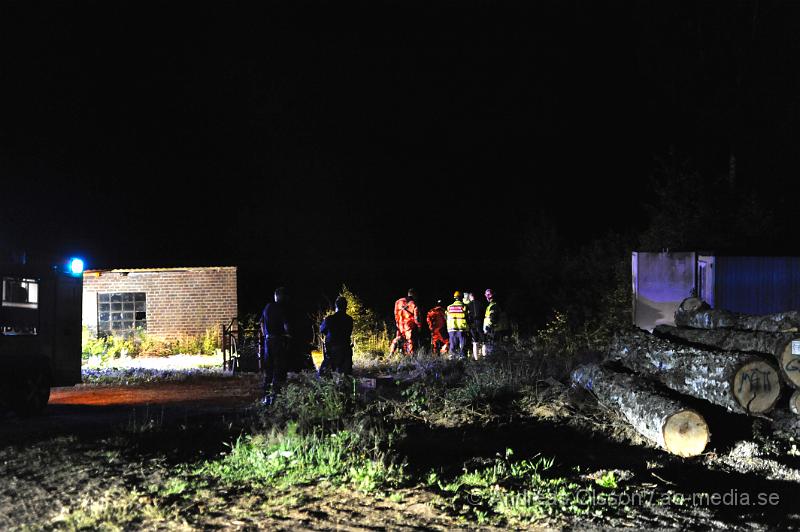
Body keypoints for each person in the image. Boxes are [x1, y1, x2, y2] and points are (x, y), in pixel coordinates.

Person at [260, 286, 292, 404]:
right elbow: (286, 325)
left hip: (268, 342)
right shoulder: (282, 308)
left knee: (269, 369)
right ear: (281, 296)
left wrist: (265, 336)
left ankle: (266, 397)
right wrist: (288, 335)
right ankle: (276, 396)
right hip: (278, 341)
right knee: (279, 368)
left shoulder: (267, 307)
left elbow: (262, 322)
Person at [319, 296, 354, 375]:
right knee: (346, 375)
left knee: (323, 374)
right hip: (345, 349)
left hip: (332, 350)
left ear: (336, 306)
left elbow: (322, 330)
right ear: (346, 306)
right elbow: (349, 332)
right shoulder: (349, 319)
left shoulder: (329, 319)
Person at [389, 288, 422, 355]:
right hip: (409, 326)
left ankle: (391, 353)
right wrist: (419, 326)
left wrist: (397, 324)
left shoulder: (398, 302)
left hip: (400, 325)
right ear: (414, 295)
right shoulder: (414, 304)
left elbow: (395, 313)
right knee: (410, 341)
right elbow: (416, 317)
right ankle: (411, 357)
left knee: (397, 339)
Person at [483, 288, 510, 355]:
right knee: (502, 347)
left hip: (496, 330)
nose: (486, 297)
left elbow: (493, 318)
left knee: (495, 348)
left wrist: (490, 327)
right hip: (502, 329)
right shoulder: (498, 304)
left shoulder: (493, 306)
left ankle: (496, 361)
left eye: (487, 295)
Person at [446, 291, 470, 358]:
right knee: (463, 345)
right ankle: (462, 358)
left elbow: (447, 317)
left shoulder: (449, 307)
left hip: (451, 329)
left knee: (452, 345)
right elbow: (468, 317)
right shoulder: (464, 307)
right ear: (461, 298)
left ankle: (451, 359)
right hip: (461, 329)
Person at [465, 291, 485, 358]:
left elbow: (466, 316)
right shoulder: (480, 303)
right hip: (480, 323)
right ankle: (485, 356)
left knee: (475, 341)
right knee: (483, 340)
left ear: (470, 297)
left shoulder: (468, 305)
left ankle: (476, 358)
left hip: (472, 324)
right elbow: (483, 313)